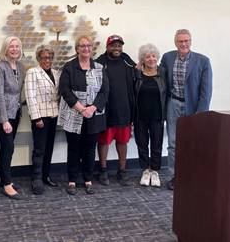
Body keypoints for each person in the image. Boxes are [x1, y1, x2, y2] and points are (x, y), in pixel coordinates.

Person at [161, 29, 212, 190]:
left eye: (186, 41)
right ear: (175, 42)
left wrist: (201, 113)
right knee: (173, 143)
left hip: (193, 107)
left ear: (190, 41)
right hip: (173, 105)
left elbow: (206, 90)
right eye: (180, 41)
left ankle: (193, 175)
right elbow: (159, 77)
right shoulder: (167, 57)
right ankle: (175, 176)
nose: (184, 44)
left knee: (193, 142)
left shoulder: (202, 61)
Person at [58, 35, 109, 195]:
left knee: (89, 149)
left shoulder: (100, 68)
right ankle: (72, 180)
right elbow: (65, 91)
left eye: (88, 45)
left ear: (91, 48)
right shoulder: (69, 67)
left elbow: (105, 91)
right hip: (74, 114)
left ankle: (88, 179)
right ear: (77, 49)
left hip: (93, 115)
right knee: (73, 148)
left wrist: (92, 108)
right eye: (82, 46)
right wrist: (81, 109)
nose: (85, 48)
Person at [96, 35, 136, 186]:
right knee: (104, 141)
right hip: (106, 110)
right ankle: (103, 170)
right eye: (113, 45)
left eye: (119, 46)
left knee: (122, 141)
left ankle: (122, 170)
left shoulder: (127, 60)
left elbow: (138, 72)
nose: (117, 48)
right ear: (107, 47)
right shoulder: (100, 62)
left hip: (125, 110)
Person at [0, 36, 25, 200]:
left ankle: (2, 176)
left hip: (16, 113)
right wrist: (4, 120)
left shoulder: (20, 66)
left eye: (17, 46)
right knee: (8, 147)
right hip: (3, 114)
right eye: (11, 46)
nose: (14, 49)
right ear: (5, 49)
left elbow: (19, 92)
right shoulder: (0, 67)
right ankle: (7, 184)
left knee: (7, 147)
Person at [25, 45, 60, 195]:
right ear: (39, 58)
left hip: (53, 115)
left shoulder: (56, 73)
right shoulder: (33, 72)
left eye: (50, 57)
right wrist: (36, 117)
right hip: (40, 117)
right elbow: (30, 96)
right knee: (39, 149)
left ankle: (46, 175)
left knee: (49, 147)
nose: (48, 60)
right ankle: (36, 179)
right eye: (45, 57)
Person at [134, 44, 166, 187]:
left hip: (157, 116)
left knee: (156, 144)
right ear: (143, 59)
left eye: (153, 56)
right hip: (140, 116)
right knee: (142, 144)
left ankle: (155, 171)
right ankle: (145, 170)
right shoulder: (137, 75)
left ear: (157, 57)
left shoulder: (163, 73)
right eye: (147, 56)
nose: (151, 59)